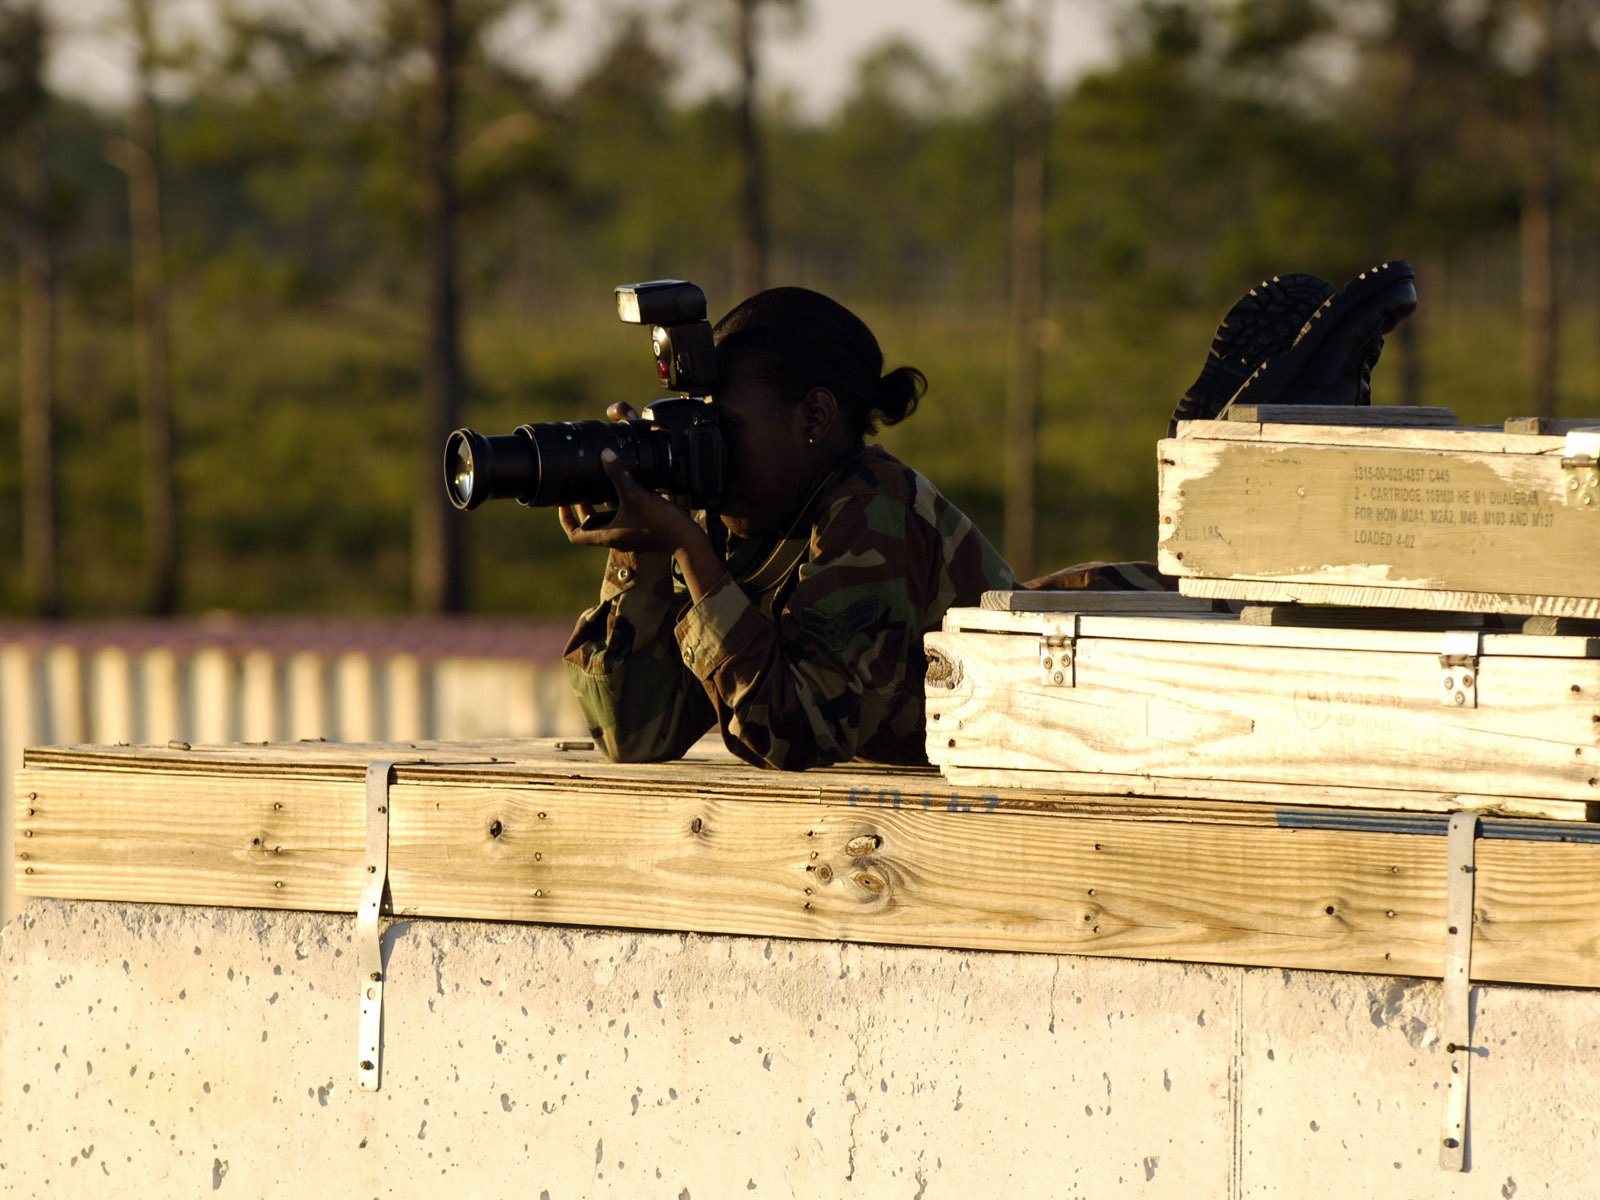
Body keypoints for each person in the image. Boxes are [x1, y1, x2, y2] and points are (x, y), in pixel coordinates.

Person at [560, 286, 1013, 771]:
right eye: (700, 426)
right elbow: (633, 732)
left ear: (814, 416)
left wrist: (690, 551)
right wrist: (642, 550)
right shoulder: (737, 518)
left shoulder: (873, 507)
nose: (709, 449)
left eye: (727, 428)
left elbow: (802, 733)